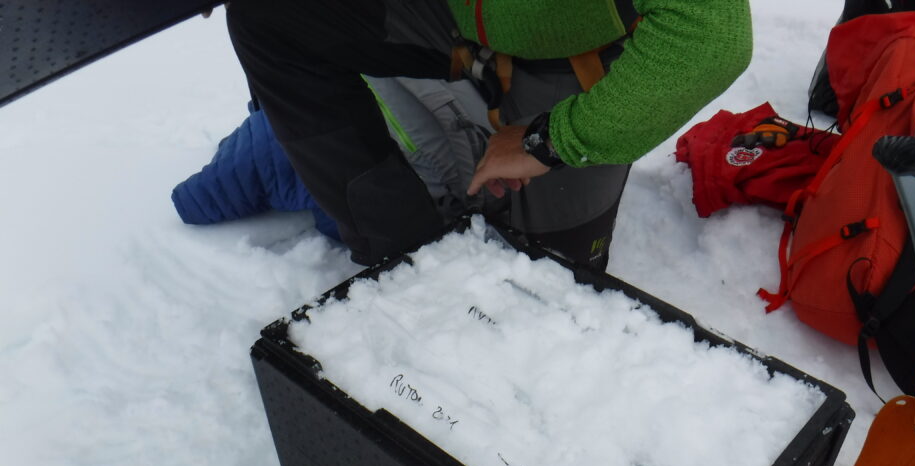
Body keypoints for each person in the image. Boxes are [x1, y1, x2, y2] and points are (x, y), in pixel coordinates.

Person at [224, 1, 753, 270]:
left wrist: (549, 142)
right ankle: (404, 255)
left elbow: (711, 38)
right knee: (267, 14)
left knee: (546, 272)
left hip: (578, 59)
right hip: (456, 20)